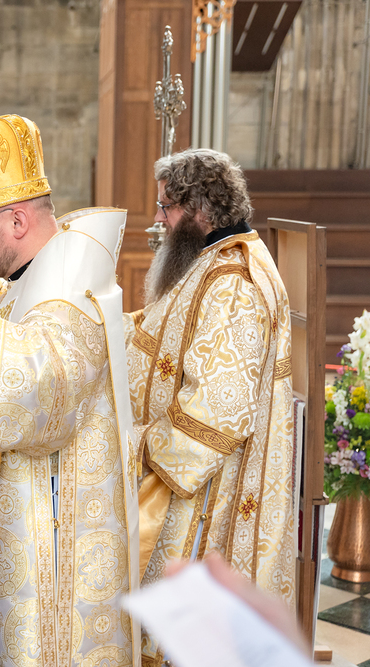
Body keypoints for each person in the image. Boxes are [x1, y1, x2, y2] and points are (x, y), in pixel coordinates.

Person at [0, 112, 138, 667]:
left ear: (16, 220)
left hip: (51, 544)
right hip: (17, 521)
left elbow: (28, 387)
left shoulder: (67, 288)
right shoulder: (30, 275)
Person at [125, 148, 294, 666]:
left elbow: (219, 408)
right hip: (198, 483)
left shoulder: (235, 283)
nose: (159, 219)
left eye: (167, 207)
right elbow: (166, 324)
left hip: (212, 493)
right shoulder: (212, 259)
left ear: (199, 209)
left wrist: (143, 447)